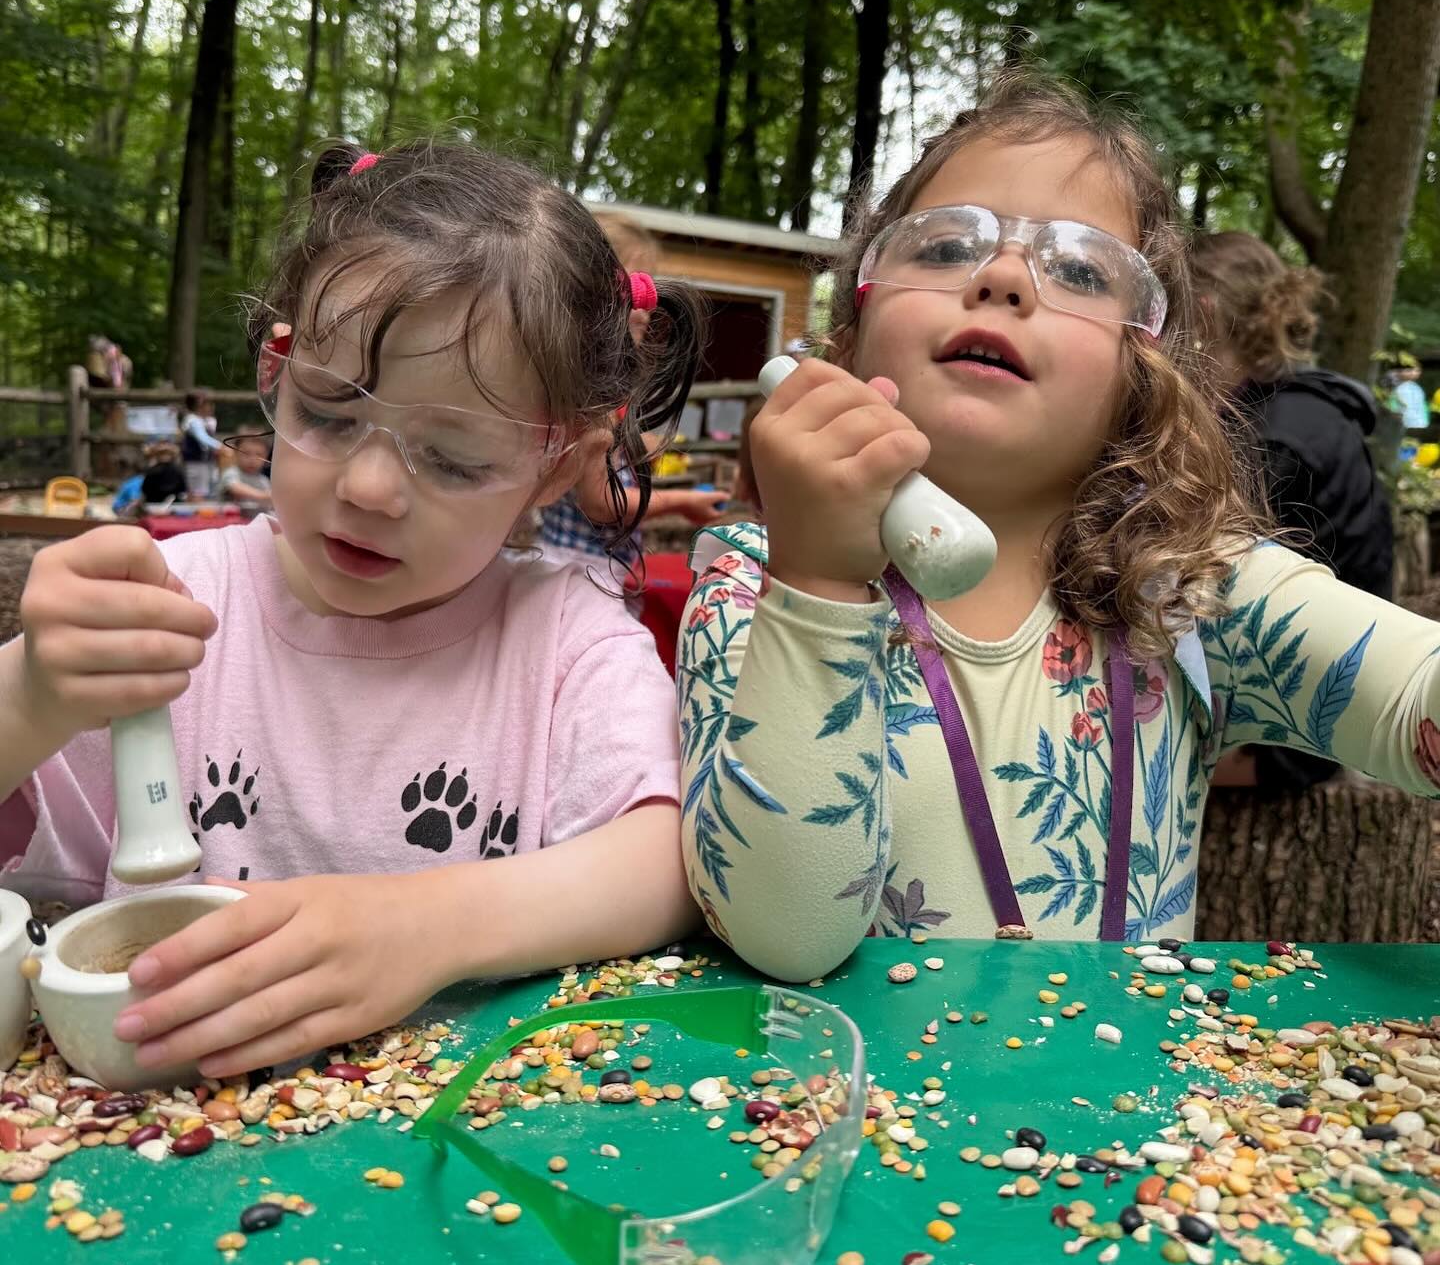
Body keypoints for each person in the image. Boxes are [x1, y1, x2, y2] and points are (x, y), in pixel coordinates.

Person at [675, 74, 1440, 979]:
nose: (1001, 277)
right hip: (845, 1113)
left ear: (1142, 372)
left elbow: (1412, 699)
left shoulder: (1190, 588)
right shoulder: (752, 583)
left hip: (1131, 1118)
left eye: (1080, 270)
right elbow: (786, 932)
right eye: (949, 243)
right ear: (854, 324)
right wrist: (820, 586)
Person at [0, 139, 704, 1077]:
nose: (370, 486)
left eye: (454, 457)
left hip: (464, 1162)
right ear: (278, 366)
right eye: (329, 412)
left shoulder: (567, 642)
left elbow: (673, 863)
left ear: (562, 467)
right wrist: (32, 694)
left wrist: (423, 928)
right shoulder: (177, 605)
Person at [1191, 231, 1394, 795]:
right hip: (1314, 712)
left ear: (1203, 318)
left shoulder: (1270, 442)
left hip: (1296, 740)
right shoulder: (1293, 413)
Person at [539, 212, 729, 585]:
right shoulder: (592, 399)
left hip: (582, 562)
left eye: (649, 288)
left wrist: (641, 444)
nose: (647, 302)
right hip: (578, 573)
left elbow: (597, 454)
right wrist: (682, 502)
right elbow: (600, 502)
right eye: (631, 290)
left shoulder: (599, 389)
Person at [180, 392, 224, 498]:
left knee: (210, 489)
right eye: (206, 404)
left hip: (207, 462)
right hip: (195, 463)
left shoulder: (208, 421)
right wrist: (221, 447)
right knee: (198, 491)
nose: (210, 407)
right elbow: (203, 438)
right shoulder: (191, 420)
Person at [217, 429, 274, 507]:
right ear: (235, 453)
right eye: (246, 453)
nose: (252, 459)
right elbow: (235, 487)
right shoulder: (231, 473)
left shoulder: (263, 481)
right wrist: (262, 495)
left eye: (259, 454)